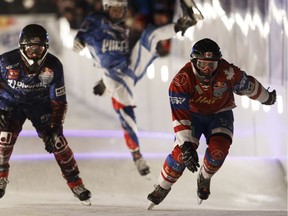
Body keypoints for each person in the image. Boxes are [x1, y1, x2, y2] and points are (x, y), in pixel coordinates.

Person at [73, 0, 199, 177]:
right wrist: (78, 42)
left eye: (121, 10)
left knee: (150, 34)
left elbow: (125, 47)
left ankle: (185, 22)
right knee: (125, 112)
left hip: (130, 67)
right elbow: (81, 36)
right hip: (113, 75)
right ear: (106, 9)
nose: (118, 14)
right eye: (114, 10)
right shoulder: (96, 20)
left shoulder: (125, 24)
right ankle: (137, 155)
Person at [147, 38, 277, 208]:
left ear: (219, 63)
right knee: (181, 155)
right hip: (192, 117)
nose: (207, 70)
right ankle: (162, 187)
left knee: (218, 151)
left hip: (220, 113)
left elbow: (248, 85)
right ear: (193, 62)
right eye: (202, 65)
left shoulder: (228, 72)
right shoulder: (181, 80)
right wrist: (186, 145)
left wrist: (267, 98)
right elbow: (180, 116)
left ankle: (205, 177)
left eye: (212, 65)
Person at [0, 24, 91, 205]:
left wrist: (56, 127)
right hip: (10, 104)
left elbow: (59, 101)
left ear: (46, 49)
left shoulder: (54, 65)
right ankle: (1, 177)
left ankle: (76, 183)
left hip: (40, 105)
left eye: (39, 49)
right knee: (3, 138)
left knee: (58, 142)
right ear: (22, 48)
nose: (35, 54)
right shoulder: (4, 62)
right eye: (31, 49)